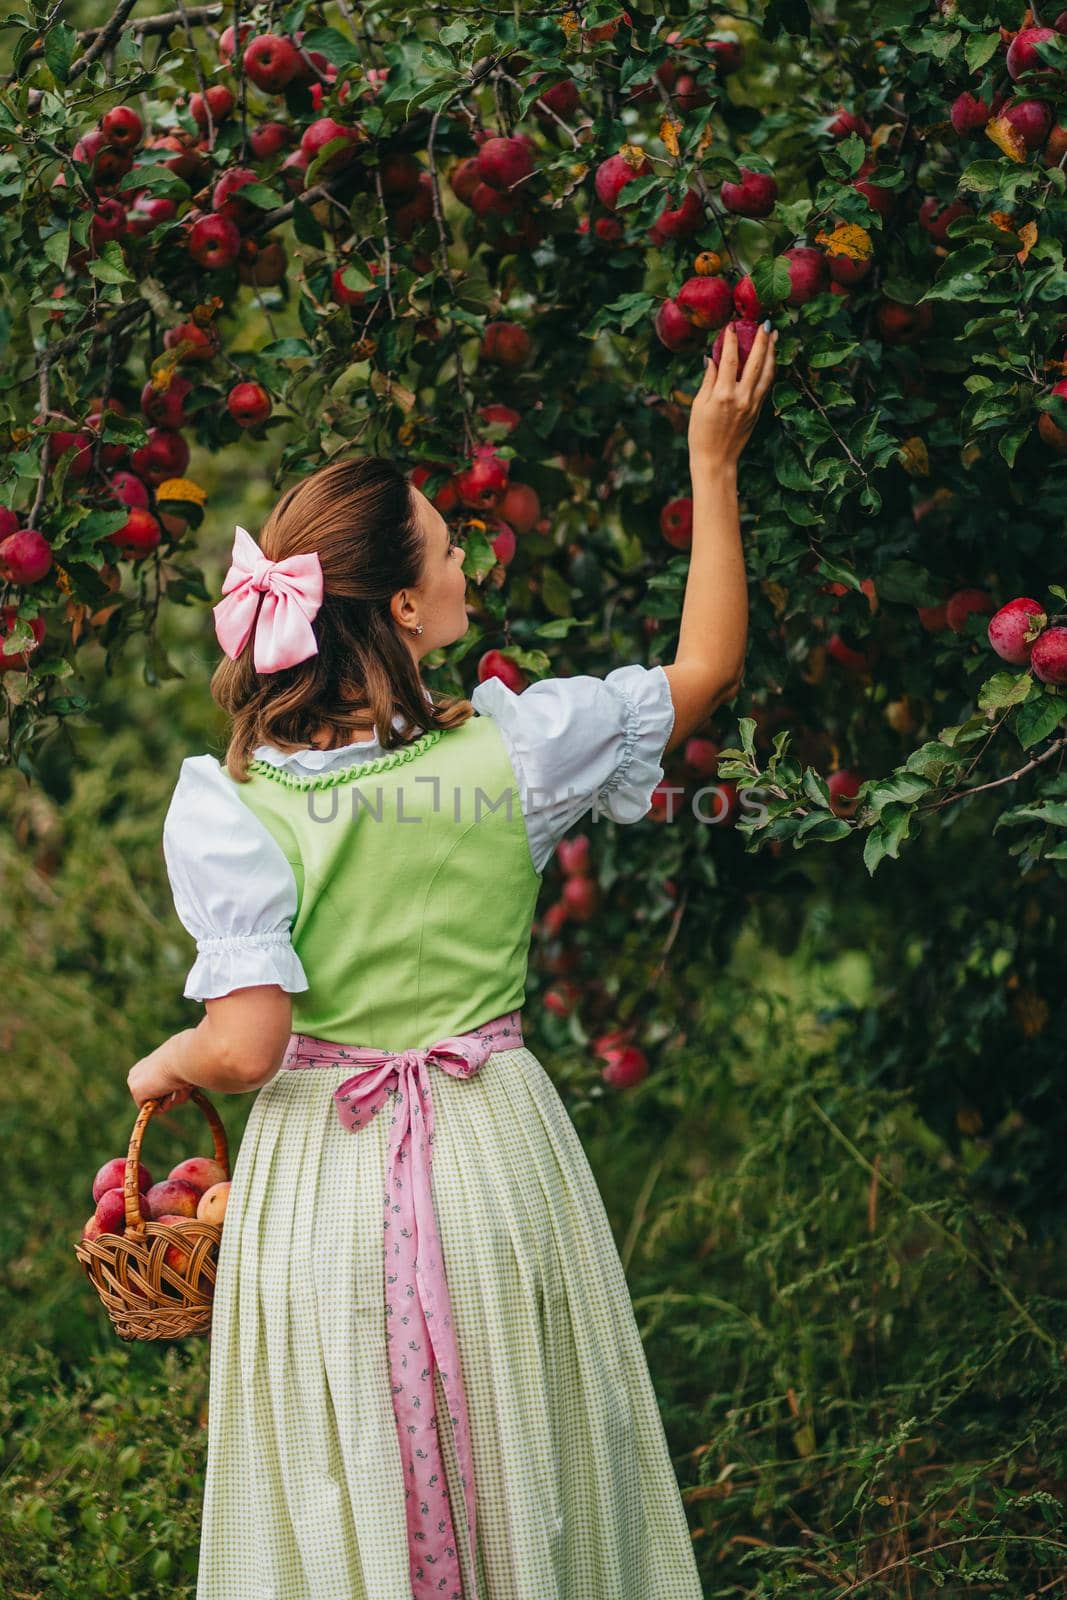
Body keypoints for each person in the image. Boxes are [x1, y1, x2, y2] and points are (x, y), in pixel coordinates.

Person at [127, 319, 777, 1600]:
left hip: (327, 1180)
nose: (465, 549)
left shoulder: (230, 803)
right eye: (445, 540)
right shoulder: (513, 751)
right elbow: (704, 667)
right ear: (408, 609)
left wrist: (168, 1057)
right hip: (489, 1152)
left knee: (344, 1478)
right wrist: (712, 465)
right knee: (519, 1464)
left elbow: (248, 1047)